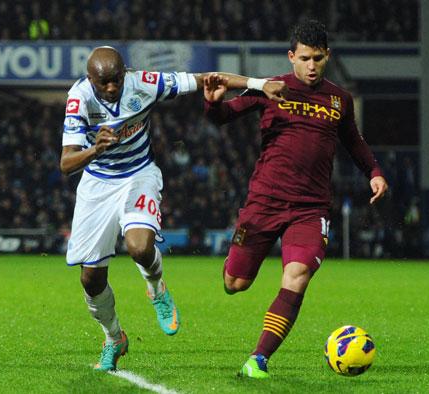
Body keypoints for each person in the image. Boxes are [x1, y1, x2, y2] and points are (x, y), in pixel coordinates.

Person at [60, 46, 286, 371]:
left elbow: (207, 79)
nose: (111, 88)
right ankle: (114, 338)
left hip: (139, 174)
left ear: (125, 74)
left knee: (139, 247)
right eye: (103, 83)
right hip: (97, 184)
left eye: (116, 81)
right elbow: (66, 163)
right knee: (90, 279)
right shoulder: (79, 98)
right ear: (90, 79)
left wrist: (259, 83)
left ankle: (157, 289)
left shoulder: (145, 83)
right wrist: (94, 149)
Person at [203, 20, 388, 378]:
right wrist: (213, 105)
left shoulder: (339, 100)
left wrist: (375, 172)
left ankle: (258, 358)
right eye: (304, 58)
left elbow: (353, 141)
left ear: (327, 56)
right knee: (235, 284)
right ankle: (235, 269)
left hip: (310, 208)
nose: (312, 65)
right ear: (291, 57)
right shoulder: (271, 89)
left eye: (318, 58)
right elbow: (224, 117)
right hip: (264, 202)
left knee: (298, 274)